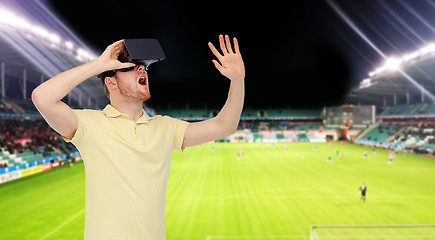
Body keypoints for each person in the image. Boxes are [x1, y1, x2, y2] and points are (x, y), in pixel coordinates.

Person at [31, 35, 245, 240]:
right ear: (111, 83)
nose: (142, 68)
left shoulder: (165, 128)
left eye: (144, 66)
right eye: (131, 66)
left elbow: (224, 126)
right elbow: (42, 97)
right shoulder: (89, 124)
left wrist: (237, 81)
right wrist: (99, 64)